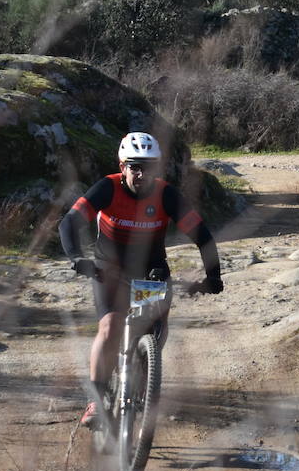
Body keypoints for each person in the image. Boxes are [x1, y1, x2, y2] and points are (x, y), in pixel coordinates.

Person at [59, 131, 222, 426]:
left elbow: (202, 235)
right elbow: (69, 222)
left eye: (149, 167)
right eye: (135, 166)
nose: (142, 173)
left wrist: (213, 276)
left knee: (154, 331)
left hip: (150, 273)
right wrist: (76, 259)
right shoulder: (107, 188)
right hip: (108, 271)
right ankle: (96, 401)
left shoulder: (166, 195)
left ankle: (146, 383)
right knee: (109, 327)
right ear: (123, 167)